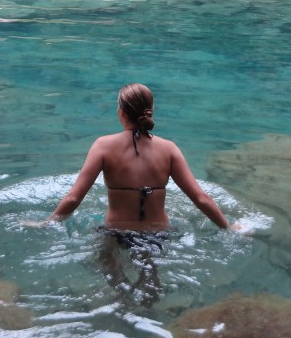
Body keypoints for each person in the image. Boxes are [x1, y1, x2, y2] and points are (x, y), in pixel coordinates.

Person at [48, 83, 240, 233]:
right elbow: (201, 198)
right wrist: (228, 226)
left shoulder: (103, 146)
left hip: (115, 231)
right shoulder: (169, 149)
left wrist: (46, 223)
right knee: (151, 280)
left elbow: (74, 198)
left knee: (112, 277)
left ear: (121, 112)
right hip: (159, 233)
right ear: (150, 111)